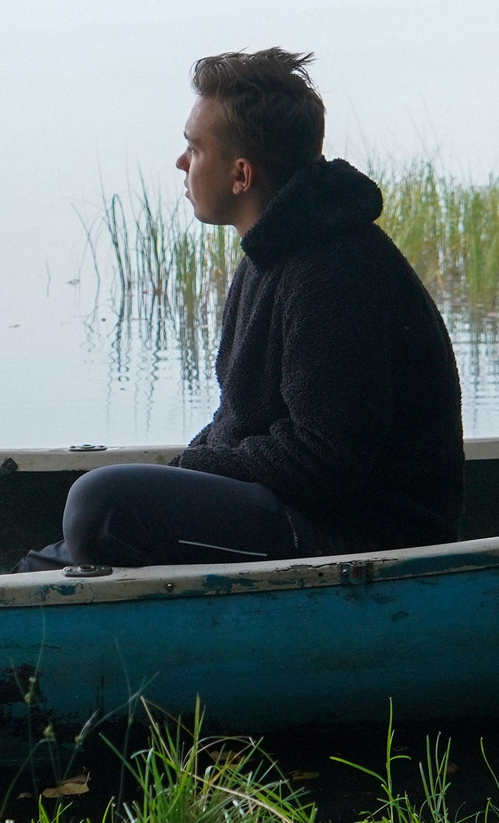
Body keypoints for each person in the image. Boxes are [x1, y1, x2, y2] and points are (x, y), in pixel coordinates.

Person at [23, 50, 463, 570]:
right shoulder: (273, 252)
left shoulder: (334, 271)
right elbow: (242, 420)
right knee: (52, 555)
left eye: (194, 148)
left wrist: (191, 467)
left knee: (102, 503)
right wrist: (185, 470)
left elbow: (324, 460)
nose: (181, 163)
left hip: (359, 536)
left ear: (240, 174)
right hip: (297, 512)